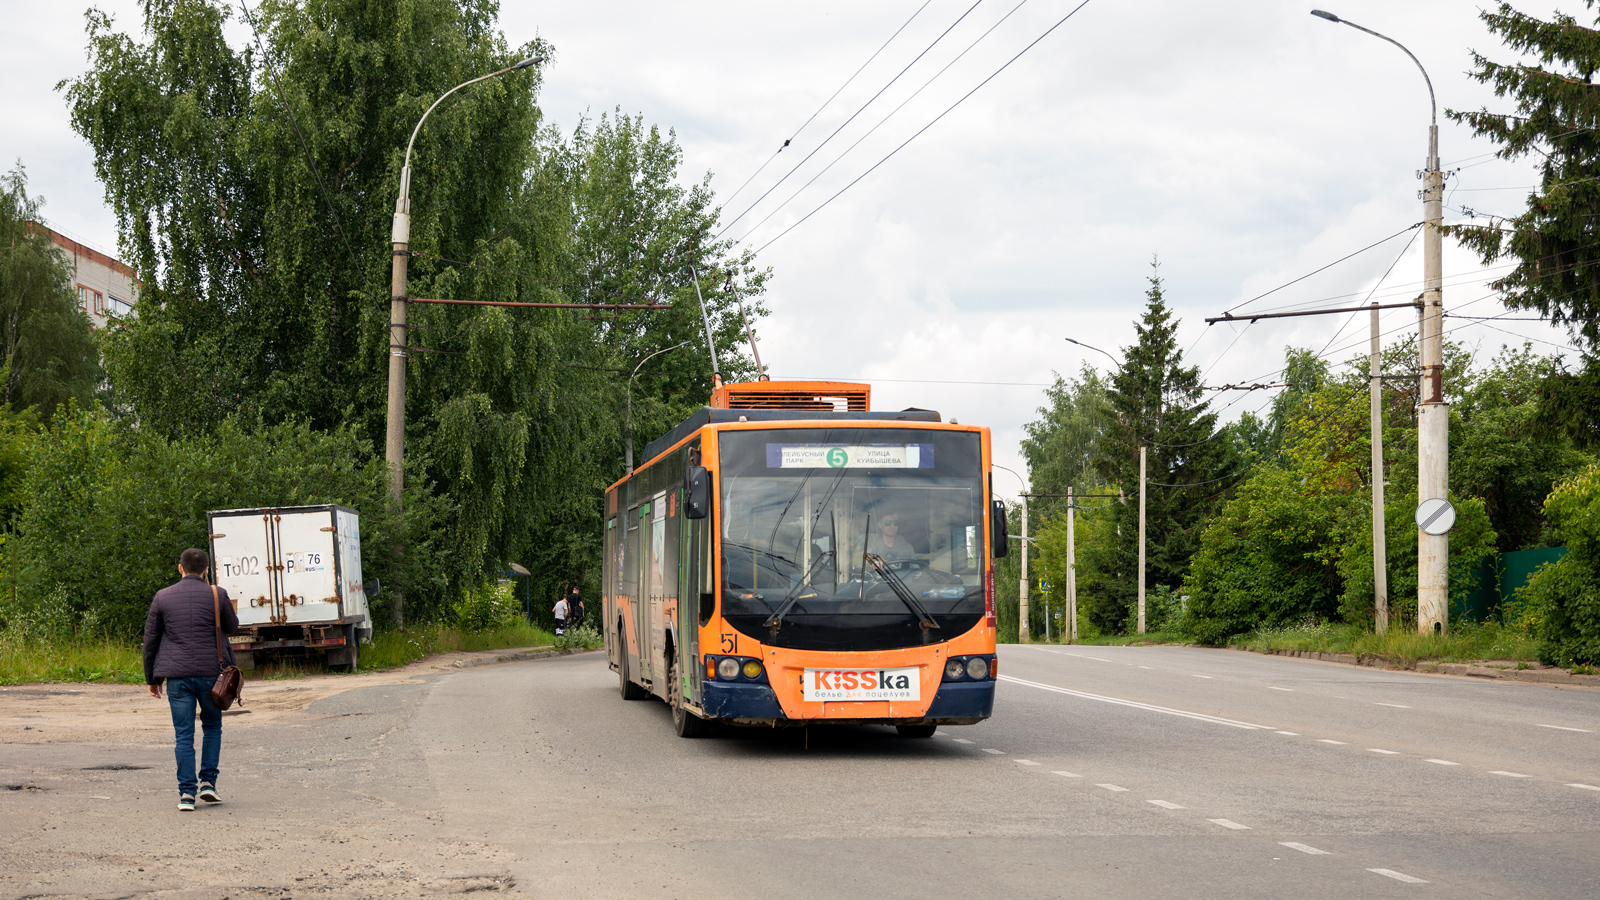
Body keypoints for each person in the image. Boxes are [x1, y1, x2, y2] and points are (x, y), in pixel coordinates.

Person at [143, 548, 238, 812]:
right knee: (212, 727)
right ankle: (208, 783)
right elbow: (232, 627)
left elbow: (150, 641)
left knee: (183, 734)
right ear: (206, 570)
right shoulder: (218, 594)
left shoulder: (162, 596)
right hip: (212, 675)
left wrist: (152, 679)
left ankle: (186, 794)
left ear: (180, 568)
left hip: (177, 677)